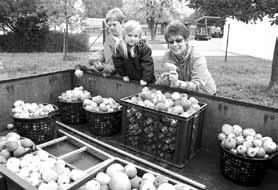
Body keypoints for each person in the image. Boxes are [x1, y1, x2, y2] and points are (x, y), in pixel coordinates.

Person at [157, 20, 216, 95]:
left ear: (186, 40)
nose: (175, 44)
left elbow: (197, 84)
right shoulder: (167, 56)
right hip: (184, 94)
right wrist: (163, 80)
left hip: (205, 94)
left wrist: (178, 84)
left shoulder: (197, 57)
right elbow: (166, 81)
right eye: (171, 42)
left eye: (179, 40)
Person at [75, 7, 126, 78]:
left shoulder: (129, 37)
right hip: (115, 72)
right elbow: (109, 61)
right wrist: (99, 63)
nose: (111, 28)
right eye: (109, 25)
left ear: (122, 23)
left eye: (114, 24)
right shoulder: (108, 42)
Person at [113, 20, 155, 85]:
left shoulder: (143, 48)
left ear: (139, 37)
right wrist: (124, 75)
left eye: (135, 36)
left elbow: (147, 64)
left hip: (145, 80)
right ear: (124, 35)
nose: (132, 38)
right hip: (131, 79)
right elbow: (118, 63)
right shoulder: (120, 48)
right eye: (129, 35)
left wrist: (145, 79)